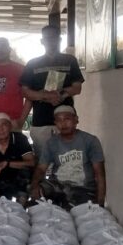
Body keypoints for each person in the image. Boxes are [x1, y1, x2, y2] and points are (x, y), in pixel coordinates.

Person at [20, 26, 84, 158]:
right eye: (47, 38)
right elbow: (25, 92)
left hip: (66, 120)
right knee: (43, 161)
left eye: (54, 37)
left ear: (59, 39)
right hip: (41, 122)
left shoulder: (70, 60)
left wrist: (61, 95)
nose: (51, 41)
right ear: (42, 41)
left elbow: (77, 88)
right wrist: (45, 96)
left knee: (67, 160)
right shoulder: (32, 63)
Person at [30, 105, 106, 208]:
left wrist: (100, 203)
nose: (63, 123)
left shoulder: (90, 141)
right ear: (55, 123)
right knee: (36, 194)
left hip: (83, 188)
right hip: (57, 186)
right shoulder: (51, 143)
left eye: (67, 119)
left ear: (76, 120)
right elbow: (41, 169)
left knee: (72, 208)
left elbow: (99, 173)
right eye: (59, 120)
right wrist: (35, 186)